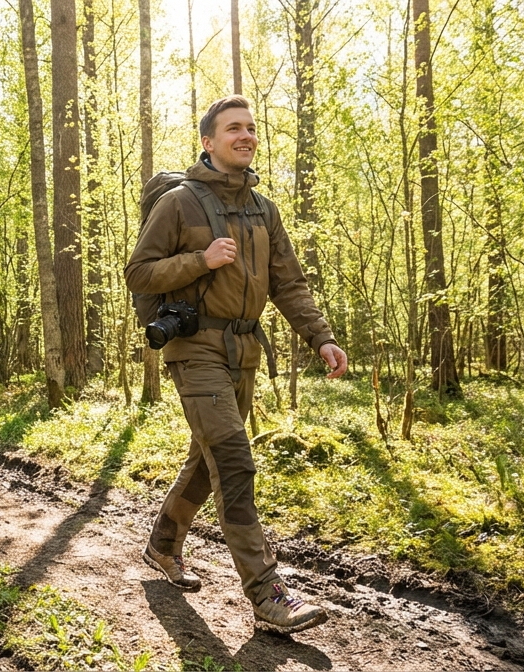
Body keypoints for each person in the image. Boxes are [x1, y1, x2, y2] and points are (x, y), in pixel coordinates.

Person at [124, 94, 347, 636]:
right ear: (208, 141)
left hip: (243, 352)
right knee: (235, 462)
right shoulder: (179, 203)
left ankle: (162, 545)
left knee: (209, 461)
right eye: (232, 129)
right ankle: (269, 597)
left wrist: (320, 337)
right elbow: (139, 273)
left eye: (250, 128)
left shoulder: (263, 209)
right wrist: (201, 260)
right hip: (194, 347)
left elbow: (289, 284)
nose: (245, 136)